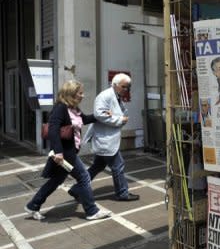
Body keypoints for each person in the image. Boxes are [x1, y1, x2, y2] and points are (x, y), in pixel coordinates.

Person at [25, 80, 111, 221]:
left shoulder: (74, 109)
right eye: (80, 93)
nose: (83, 95)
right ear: (71, 93)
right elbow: (53, 130)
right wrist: (58, 152)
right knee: (84, 177)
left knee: (56, 180)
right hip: (65, 153)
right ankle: (92, 211)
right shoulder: (61, 108)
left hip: (70, 151)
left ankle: (33, 205)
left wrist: (101, 115)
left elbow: (84, 119)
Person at [68, 73, 139, 202]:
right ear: (116, 85)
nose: (126, 90)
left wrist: (119, 117)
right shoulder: (105, 96)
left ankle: (77, 189)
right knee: (118, 165)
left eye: (128, 87)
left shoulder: (115, 95)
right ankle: (122, 193)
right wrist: (119, 120)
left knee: (98, 166)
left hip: (107, 138)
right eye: (124, 87)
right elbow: (99, 115)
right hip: (105, 138)